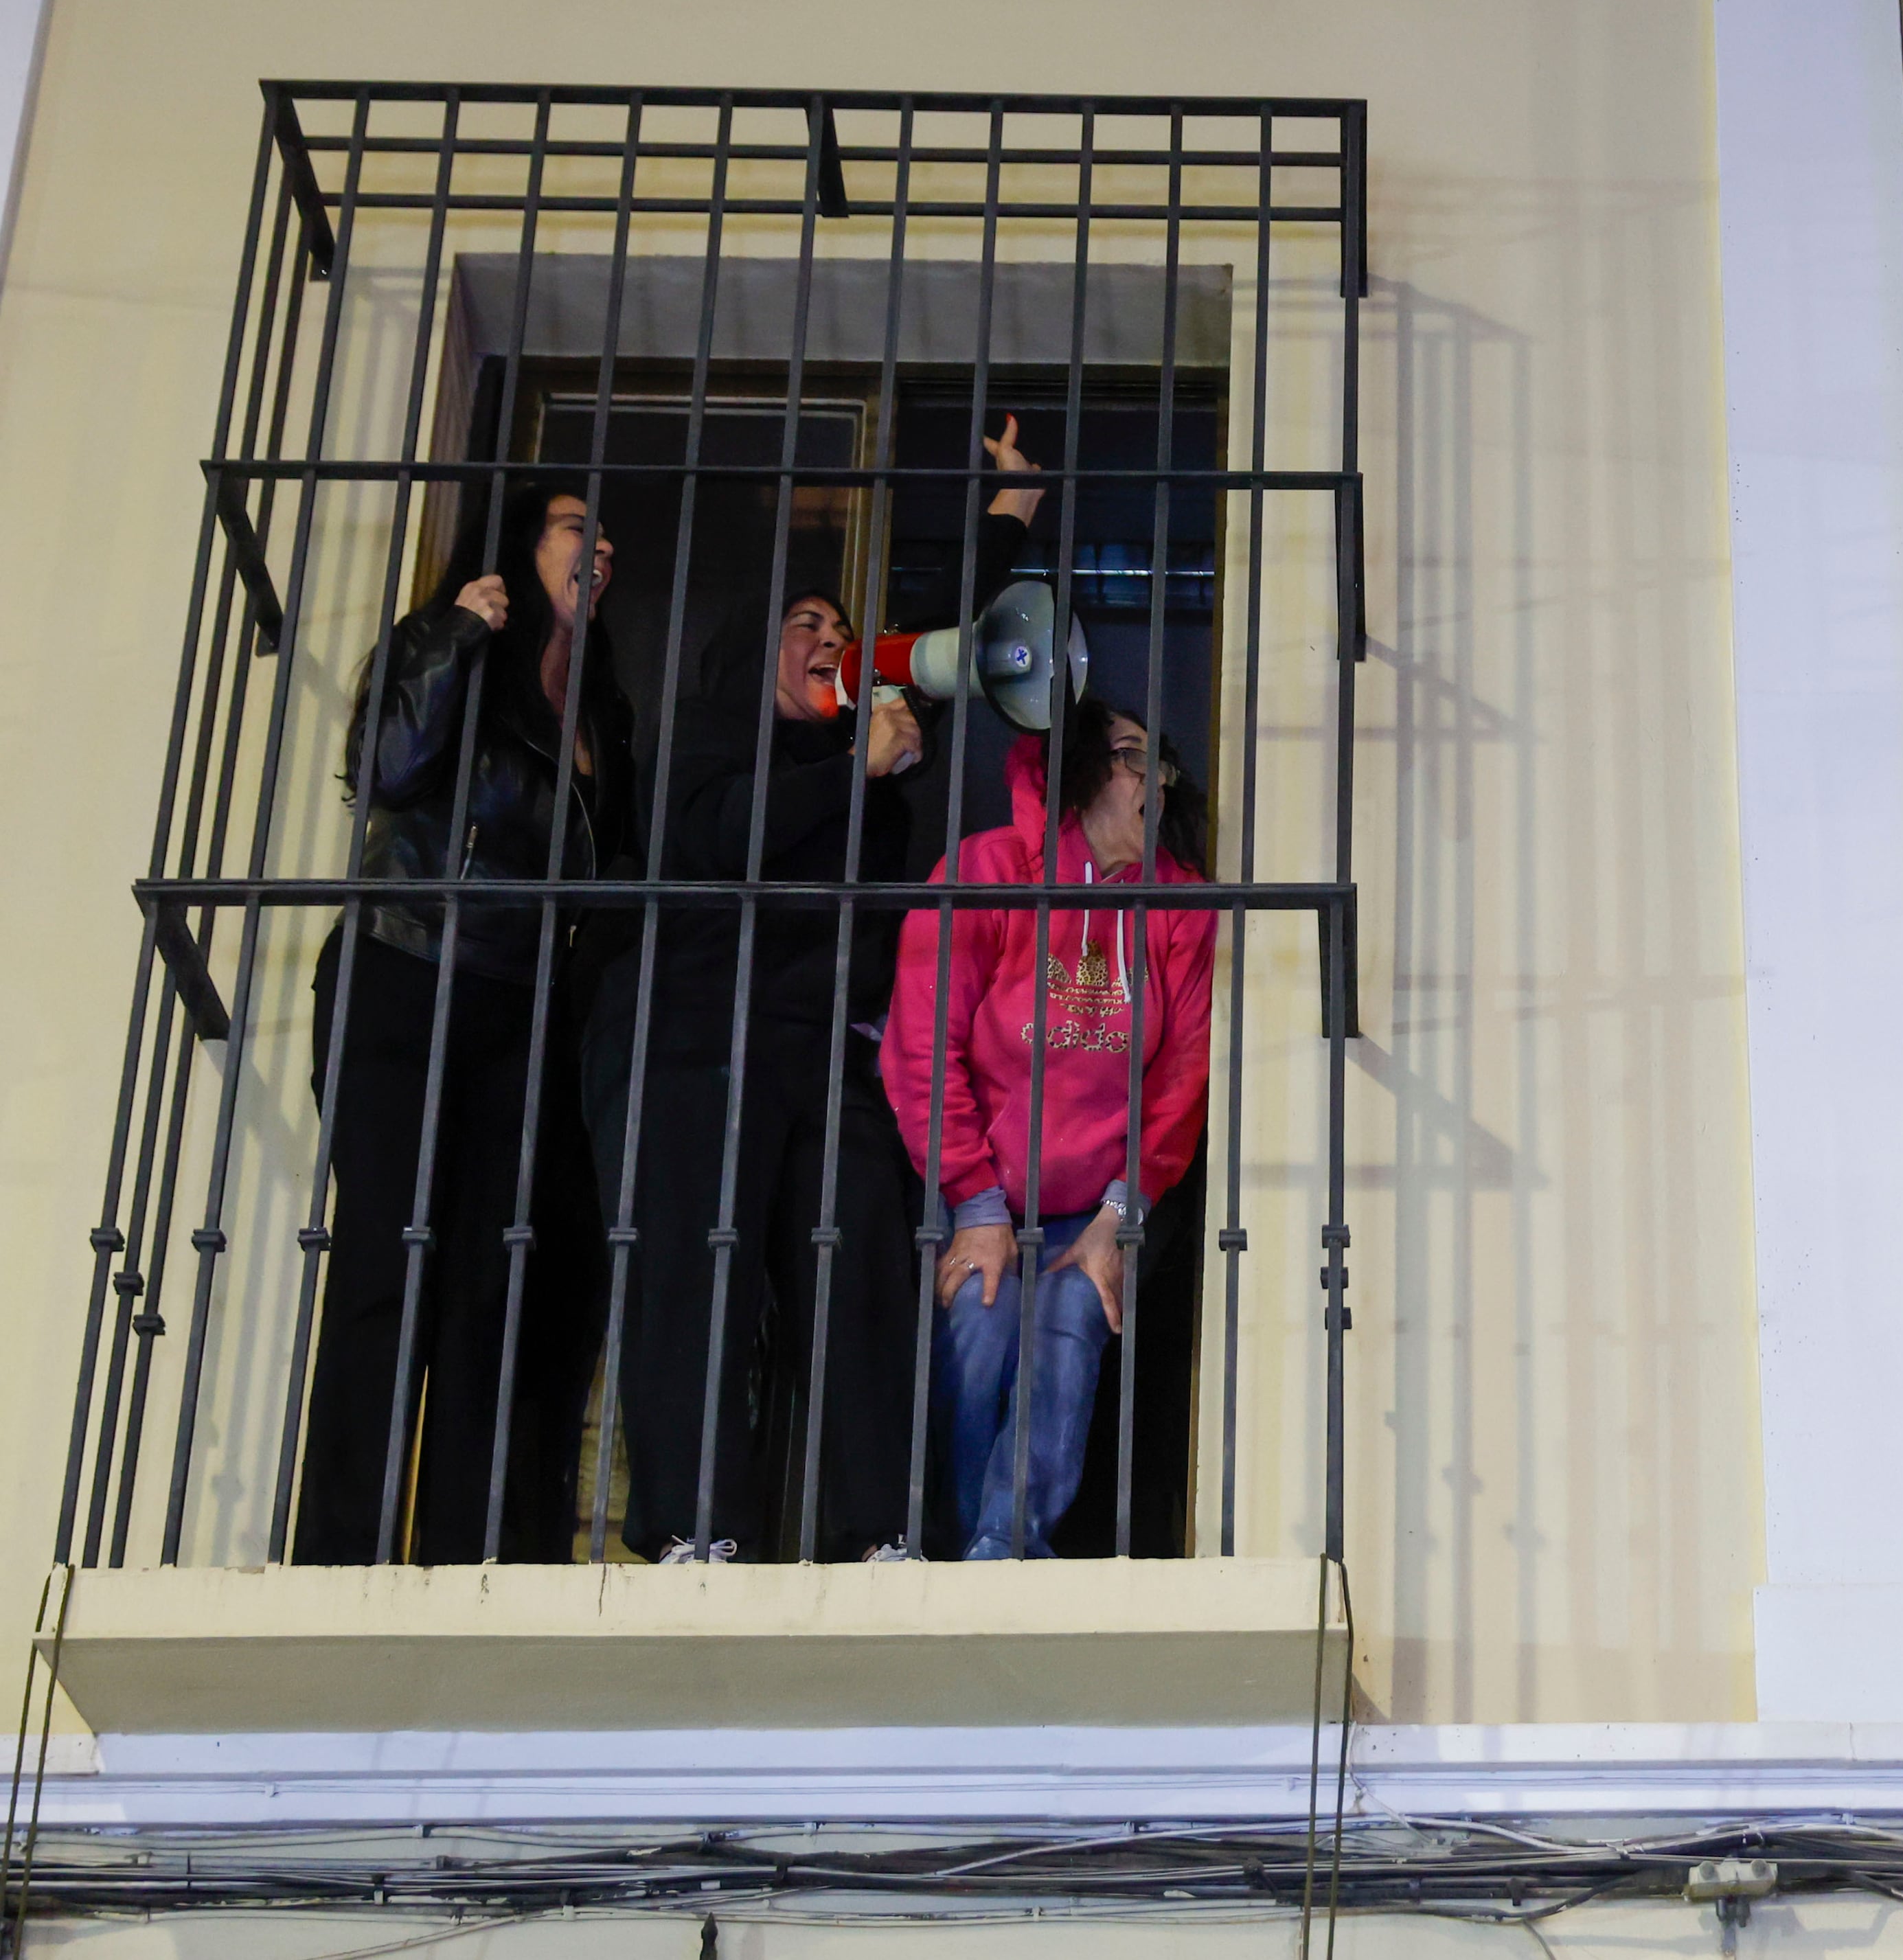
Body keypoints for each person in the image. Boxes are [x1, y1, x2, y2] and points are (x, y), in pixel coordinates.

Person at [586, 421, 1040, 1564]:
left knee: (858, 1260)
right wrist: (853, 770)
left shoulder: (867, 740)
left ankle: (878, 1528)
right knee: (698, 1269)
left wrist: (1009, 516)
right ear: (757, 648)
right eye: (809, 626)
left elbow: (938, 640)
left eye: (843, 633)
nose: (833, 644)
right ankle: (692, 1526)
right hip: (690, 1036)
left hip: (821, 1046)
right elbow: (721, 835)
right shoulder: (708, 735)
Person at [300, 484, 630, 1565]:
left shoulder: (597, 709)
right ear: (519, 548)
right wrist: (455, 635)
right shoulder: (450, 645)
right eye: (578, 528)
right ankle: (339, 1555)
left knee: (488, 1286)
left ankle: (458, 1556)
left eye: (606, 536)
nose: (601, 547)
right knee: (386, 1260)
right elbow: (385, 770)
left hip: (515, 1008)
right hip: (406, 970)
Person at [883, 696, 1216, 1560]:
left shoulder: (1180, 903)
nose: (1155, 783)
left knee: (1072, 1322)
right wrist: (975, 1205)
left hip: (1102, 1202)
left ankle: (1007, 1549)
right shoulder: (988, 868)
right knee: (979, 1327)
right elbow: (921, 1047)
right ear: (1081, 774)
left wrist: (1119, 1217)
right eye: (1132, 758)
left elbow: (1182, 1079)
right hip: (982, 1188)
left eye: (1159, 764)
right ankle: (956, 1545)